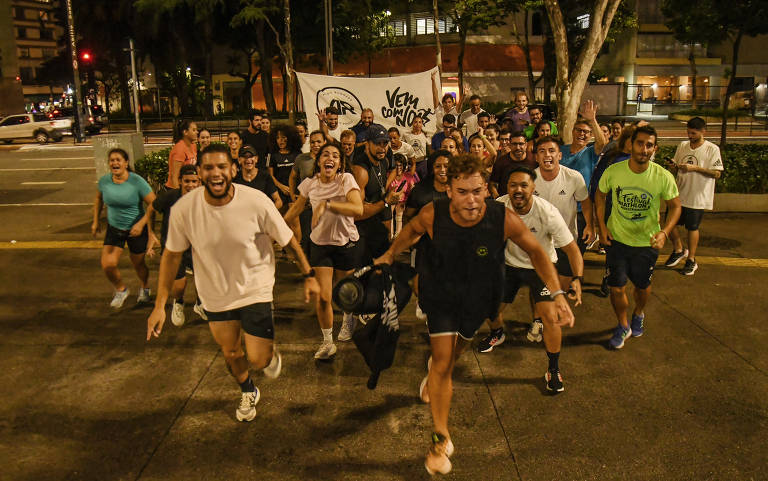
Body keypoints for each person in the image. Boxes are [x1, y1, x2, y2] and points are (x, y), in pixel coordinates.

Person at [373, 155, 572, 475]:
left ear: (487, 188)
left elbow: (537, 251)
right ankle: (440, 440)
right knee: (442, 364)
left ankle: (440, 370)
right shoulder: (432, 213)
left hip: (479, 298)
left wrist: (557, 292)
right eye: (463, 191)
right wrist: (388, 254)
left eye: (478, 191)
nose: (471, 200)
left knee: (455, 354)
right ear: (449, 189)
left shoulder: (501, 217)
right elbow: (410, 232)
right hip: (440, 295)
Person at [147, 144, 320, 423]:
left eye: (222, 166)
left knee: (258, 359)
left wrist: (309, 276)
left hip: (256, 289)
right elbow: (171, 256)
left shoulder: (256, 200)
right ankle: (248, 390)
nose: (216, 173)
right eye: (209, 167)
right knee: (231, 351)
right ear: (200, 172)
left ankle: (267, 356)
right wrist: (159, 305)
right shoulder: (184, 210)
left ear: (234, 169)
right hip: (215, 296)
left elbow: (288, 239)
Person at [477, 167, 582, 394]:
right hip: (509, 266)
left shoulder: (548, 212)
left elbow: (572, 250)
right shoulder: (497, 207)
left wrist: (577, 278)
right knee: (488, 308)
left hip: (541, 268)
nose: (518, 190)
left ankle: (553, 369)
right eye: (513, 185)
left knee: (551, 319)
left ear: (534, 189)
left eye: (524, 185)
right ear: (507, 188)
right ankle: (497, 333)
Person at [596, 125, 681, 349]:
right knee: (616, 287)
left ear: (655, 149)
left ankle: (639, 313)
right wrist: (602, 228)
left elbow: (675, 207)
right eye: (640, 143)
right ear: (630, 145)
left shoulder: (662, 176)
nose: (644, 149)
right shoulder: (614, 171)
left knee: (642, 288)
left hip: (647, 243)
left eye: (649, 145)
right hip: (617, 241)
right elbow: (599, 196)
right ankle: (623, 325)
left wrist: (664, 232)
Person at [284, 142, 364, 359]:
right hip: (320, 244)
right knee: (324, 297)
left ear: (340, 163)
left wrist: (327, 204)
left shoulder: (346, 179)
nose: (330, 158)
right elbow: (294, 211)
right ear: (318, 160)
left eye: (336, 156)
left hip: (345, 243)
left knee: (346, 293)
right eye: (325, 155)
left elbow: (358, 208)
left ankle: (349, 316)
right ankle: (328, 342)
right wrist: (275, 228)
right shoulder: (309, 183)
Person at [524, 135, 592, 344]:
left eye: (552, 151)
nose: (547, 155)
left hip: (565, 242)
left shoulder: (574, 177)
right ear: (536, 156)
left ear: (560, 155)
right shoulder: (529, 179)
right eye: (542, 151)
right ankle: (537, 319)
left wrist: (590, 225)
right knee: (538, 285)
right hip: (538, 243)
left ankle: (550, 315)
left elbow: (585, 202)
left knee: (557, 286)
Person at [92, 148, 156, 308]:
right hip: (115, 228)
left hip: (136, 230)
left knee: (138, 264)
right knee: (108, 264)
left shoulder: (137, 182)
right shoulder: (105, 181)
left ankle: (145, 288)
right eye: (112, 160)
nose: (115, 163)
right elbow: (99, 199)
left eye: (118, 159)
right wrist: (95, 221)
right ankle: (121, 290)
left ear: (126, 163)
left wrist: (142, 224)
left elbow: (154, 204)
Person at [147, 164, 206, 326]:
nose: (191, 185)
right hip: (174, 249)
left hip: (196, 248)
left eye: (194, 181)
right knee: (179, 286)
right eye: (187, 181)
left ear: (199, 182)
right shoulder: (170, 197)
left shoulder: (204, 198)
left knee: (205, 281)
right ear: (180, 181)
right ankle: (178, 302)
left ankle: (200, 304)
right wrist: (150, 233)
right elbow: (151, 209)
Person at [664, 117, 723, 276]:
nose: (690, 136)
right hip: (679, 193)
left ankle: (691, 259)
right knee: (668, 223)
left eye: (693, 133)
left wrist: (695, 168)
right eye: (688, 132)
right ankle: (678, 249)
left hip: (697, 196)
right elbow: (677, 167)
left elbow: (717, 173)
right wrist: (674, 166)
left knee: (692, 227)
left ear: (703, 131)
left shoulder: (712, 149)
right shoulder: (683, 145)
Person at [406, 150, 450, 320]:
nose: (442, 169)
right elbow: (409, 214)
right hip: (423, 243)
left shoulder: (458, 188)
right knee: (418, 283)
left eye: (446, 165)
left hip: (448, 244)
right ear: (432, 168)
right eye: (438, 166)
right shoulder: (421, 190)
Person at [560, 100, 606, 252]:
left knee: (577, 250)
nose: (582, 134)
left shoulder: (590, 153)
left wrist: (592, 120)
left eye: (586, 132)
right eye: (579, 130)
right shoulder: (561, 151)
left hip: (580, 210)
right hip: (559, 208)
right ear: (573, 131)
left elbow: (602, 142)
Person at [352, 124, 401, 262]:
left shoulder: (383, 161)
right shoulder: (361, 171)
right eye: (377, 143)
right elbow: (357, 213)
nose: (382, 147)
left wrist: (388, 196)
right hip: (361, 231)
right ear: (367, 145)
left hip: (376, 223)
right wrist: (385, 202)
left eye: (385, 143)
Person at [291, 130, 326, 258]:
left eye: (319, 142)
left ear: (324, 142)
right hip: (306, 207)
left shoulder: (329, 160)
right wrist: (293, 195)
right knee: (306, 239)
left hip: (324, 208)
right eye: (312, 142)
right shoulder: (301, 159)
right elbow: (293, 177)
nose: (315, 145)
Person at [489, 131, 536, 198]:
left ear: (526, 145)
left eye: (521, 144)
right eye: (514, 144)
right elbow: (492, 184)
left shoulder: (533, 160)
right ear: (510, 145)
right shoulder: (501, 162)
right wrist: (498, 199)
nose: (518, 147)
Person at [234, 145, 282, 209]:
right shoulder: (235, 179)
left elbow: (278, 201)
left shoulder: (265, 176)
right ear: (239, 160)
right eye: (245, 157)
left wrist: (267, 214)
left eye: (251, 156)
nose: (248, 159)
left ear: (256, 159)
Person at [268, 124, 302, 211]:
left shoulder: (297, 153)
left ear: (290, 138)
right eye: (278, 138)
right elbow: (270, 175)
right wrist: (281, 187)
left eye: (283, 137)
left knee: (294, 221)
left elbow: (300, 174)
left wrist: (293, 189)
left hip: (294, 191)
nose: (280, 140)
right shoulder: (272, 154)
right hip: (279, 192)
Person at [387, 153, 419, 238]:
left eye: (400, 165)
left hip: (403, 201)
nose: (398, 168)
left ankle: (398, 236)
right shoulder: (389, 176)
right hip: (391, 200)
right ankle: (390, 235)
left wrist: (407, 200)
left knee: (400, 213)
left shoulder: (408, 176)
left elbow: (413, 191)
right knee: (389, 212)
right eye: (396, 165)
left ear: (404, 166)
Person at [166, 120, 198, 189]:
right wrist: (179, 195)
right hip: (175, 189)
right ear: (185, 132)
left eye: (196, 130)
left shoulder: (193, 145)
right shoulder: (179, 149)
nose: (197, 132)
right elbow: (174, 177)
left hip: (188, 188)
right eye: (194, 130)